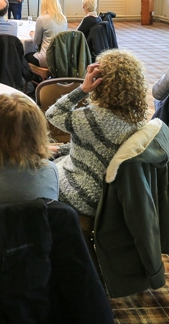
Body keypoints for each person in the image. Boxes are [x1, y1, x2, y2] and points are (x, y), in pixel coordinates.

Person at [46, 50, 154, 217]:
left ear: (98, 82)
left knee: (34, 175)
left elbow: (53, 114)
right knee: (53, 157)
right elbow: (98, 146)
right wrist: (61, 150)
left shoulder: (90, 118)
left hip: (81, 194)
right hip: (108, 194)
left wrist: (82, 89)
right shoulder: (136, 119)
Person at [27, 0, 67, 68]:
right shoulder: (63, 18)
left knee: (26, 56)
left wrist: (32, 34)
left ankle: (38, 77)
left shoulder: (42, 19)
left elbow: (36, 42)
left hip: (47, 58)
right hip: (61, 58)